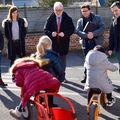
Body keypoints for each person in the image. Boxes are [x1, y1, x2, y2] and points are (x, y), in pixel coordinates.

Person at [44, 1, 75, 82]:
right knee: (53, 61)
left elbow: (72, 29)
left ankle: (62, 77)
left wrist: (64, 34)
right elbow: (45, 30)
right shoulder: (50, 18)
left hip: (63, 44)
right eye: (56, 10)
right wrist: (51, 33)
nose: (58, 12)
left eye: (60, 10)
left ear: (63, 9)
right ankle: (54, 76)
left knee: (62, 61)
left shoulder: (68, 18)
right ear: (54, 10)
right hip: (53, 44)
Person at [76, 3, 104, 83]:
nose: (84, 12)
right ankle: (86, 76)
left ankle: (100, 77)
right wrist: (86, 35)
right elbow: (77, 31)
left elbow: (102, 28)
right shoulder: (80, 21)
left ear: (89, 10)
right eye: (82, 11)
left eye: (86, 11)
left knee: (98, 60)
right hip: (86, 43)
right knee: (87, 60)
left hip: (96, 42)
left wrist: (93, 34)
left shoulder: (97, 18)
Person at [108, 1, 120, 92]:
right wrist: (110, 48)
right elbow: (112, 35)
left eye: (116, 10)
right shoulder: (114, 19)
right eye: (113, 11)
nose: (115, 12)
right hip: (118, 48)